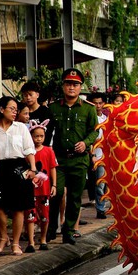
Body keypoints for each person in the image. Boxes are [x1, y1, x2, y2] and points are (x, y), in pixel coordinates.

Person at [48, 68, 99, 245]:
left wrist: (86, 143)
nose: (72, 87)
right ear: (63, 86)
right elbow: (46, 133)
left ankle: (68, 230)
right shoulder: (53, 108)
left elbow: (94, 132)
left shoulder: (88, 109)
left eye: (75, 84)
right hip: (59, 159)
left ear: (80, 87)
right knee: (56, 192)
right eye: (68, 84)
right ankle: (51, 227)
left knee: (75, 197)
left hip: (79, 160)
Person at [0, 96, 37, 256]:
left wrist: (33, 168)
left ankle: (15, 243)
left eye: (16, 110)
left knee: (18, 208)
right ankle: (3, 237)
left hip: (19, 168)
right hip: (1, 169)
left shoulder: (21, 128)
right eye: (12, 109)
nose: (15, 112)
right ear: (2, 109)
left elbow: (29, 150)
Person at [27, 120, 57, 250]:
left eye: (41, 136)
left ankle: (43, 239)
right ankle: (31, 242)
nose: (39, 139)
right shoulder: (27, 152)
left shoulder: (49, 151)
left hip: (44, 189)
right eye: (36, 136)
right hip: (30, 189)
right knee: (30, 215)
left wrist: (54, 185)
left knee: (45, 216)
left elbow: (52, 168)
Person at [87, 92, 110, 220]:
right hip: (95, 154)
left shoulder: (105, 119)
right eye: (95, 103)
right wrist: (93, 155)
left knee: (104, 183)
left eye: (100, 103)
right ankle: (100, 209)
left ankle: (103, 208)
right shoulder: (90, 118)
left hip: (105, 155)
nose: (98, 105)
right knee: (98, 183)